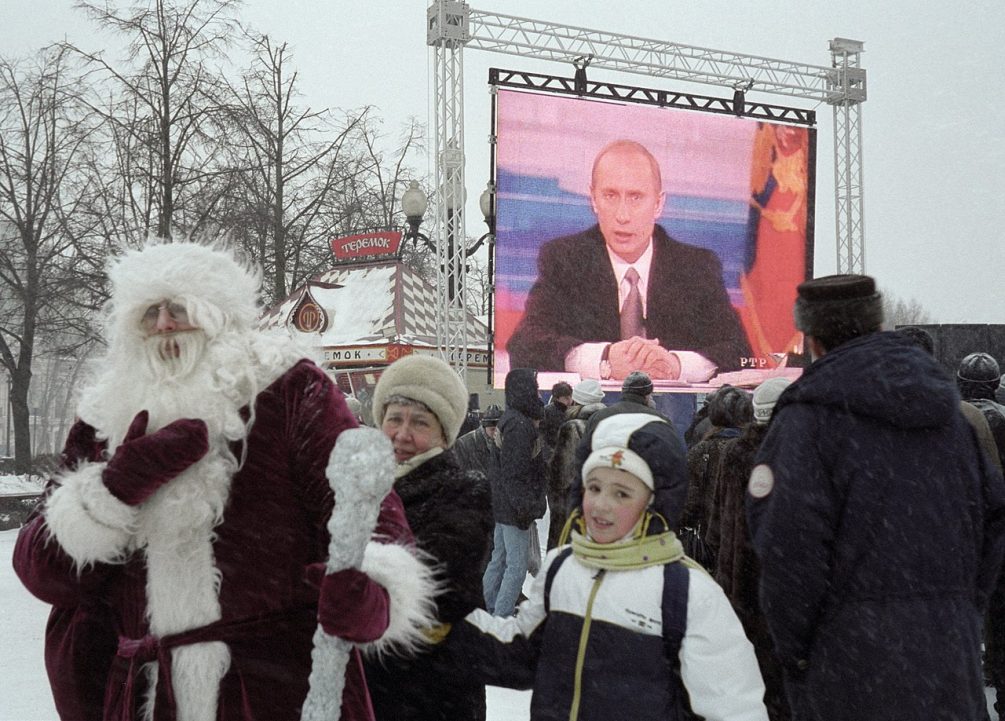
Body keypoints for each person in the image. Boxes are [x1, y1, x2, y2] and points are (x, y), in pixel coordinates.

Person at [12, 242, 437, 721]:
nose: (164, 324)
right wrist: (115, 488)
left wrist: (371, 588)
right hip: (145, 696)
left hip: (271, 690)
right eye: (149, 312)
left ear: (219, 314)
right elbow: (41, 570)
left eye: (180, 308)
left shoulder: (287, 389)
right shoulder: (106, 413)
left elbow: (368, 507)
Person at [746, 274, 1005, 721]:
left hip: (850, 670)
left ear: (812, 338)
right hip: (947, 664)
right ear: (877, 323)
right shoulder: (949, 417)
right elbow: (992, 524)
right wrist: (959, 611)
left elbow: (788, 552)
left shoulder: (807, 423)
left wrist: (798, 654)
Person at [448, 413, 769, 721]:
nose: (601, 504)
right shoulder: (563, 568)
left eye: (622, 493)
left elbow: (735, 708)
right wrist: (437, 617)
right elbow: (519, 651)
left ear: (654, 503)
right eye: (594, 487)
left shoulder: (686, 593)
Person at [506, 139, 751, 383]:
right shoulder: (565, 260)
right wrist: (605, 360)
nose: (622, 215)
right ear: (593, 199)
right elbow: (524, 347)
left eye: (635, 197)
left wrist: (675, 365)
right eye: (610, 195)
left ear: (658, 204)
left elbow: (740, 352)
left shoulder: (696, 267)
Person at [366, 354, 495, 721]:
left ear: (444, 433)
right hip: (368, 687)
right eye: (394, 418)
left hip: (432, 692)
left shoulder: (464, 490)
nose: (402, 434)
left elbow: (429, 586)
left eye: (420, 422)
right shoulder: (360, 487)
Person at [706, 377, 793, 721]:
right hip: (782, 583)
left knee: (748, 675)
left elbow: (716, 524)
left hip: (738, 578)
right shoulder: (795, 453)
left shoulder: (735, 452)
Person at [482, 368, 546, 617]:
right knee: (516, 566)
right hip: (514, 507)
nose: (538, 392)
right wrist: (525, 508)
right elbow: (516, 473)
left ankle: (487, 606)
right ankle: (501, 616)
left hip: (502, 503)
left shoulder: (509, 420)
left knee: (499, 559)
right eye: (535, 387)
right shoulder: (520, 426)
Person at [453, 404, 503, 482]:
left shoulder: (508, 442)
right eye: (493, 429)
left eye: (500, 429)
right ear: (484, 427)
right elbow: (461, 476)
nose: (497, 433)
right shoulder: (464, 444)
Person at [540, 381, 574, 460]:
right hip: (554, 453)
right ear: (557, 398)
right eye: (566, 398)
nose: (570, 401)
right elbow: (543, 436)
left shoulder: (574, 410)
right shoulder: (547, 412)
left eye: (570, 397)